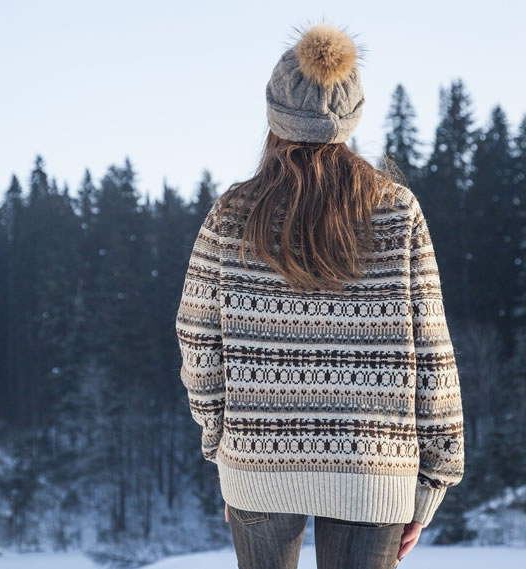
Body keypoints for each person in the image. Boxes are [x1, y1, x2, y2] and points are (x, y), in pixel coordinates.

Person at [175, 21, 465, 569]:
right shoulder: (397, 211)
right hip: (372, 465)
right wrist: (433, 481)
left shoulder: (232, 215)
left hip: (258, 460)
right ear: (350, 118)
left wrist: (223, 446)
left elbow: (197, 343)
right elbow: (433, 352)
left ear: (274, 115)